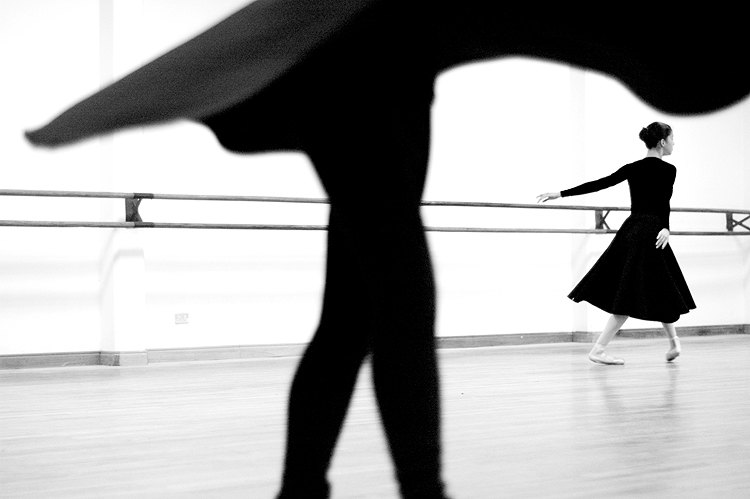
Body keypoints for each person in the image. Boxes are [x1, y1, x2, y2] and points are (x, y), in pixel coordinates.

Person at [22, 2, 748, 497]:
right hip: (352, 63)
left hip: (381, 65)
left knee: (351, 318)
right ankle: (410, 491)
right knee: (398, 302)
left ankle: (311, 489)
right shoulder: (408, 31)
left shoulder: (443, 33)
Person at [537, 123, 696, 365]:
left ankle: (674, 344)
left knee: (661, 286)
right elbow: (663, 202)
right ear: (662, 142)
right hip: (651, 234)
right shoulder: (669, 170)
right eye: (672, 138)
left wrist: (561, 193)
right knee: (632, 293)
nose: (674, 143)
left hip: (635, 230)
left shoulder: (633, 168)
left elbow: (601, 183)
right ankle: (598, 349)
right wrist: (665, 227)